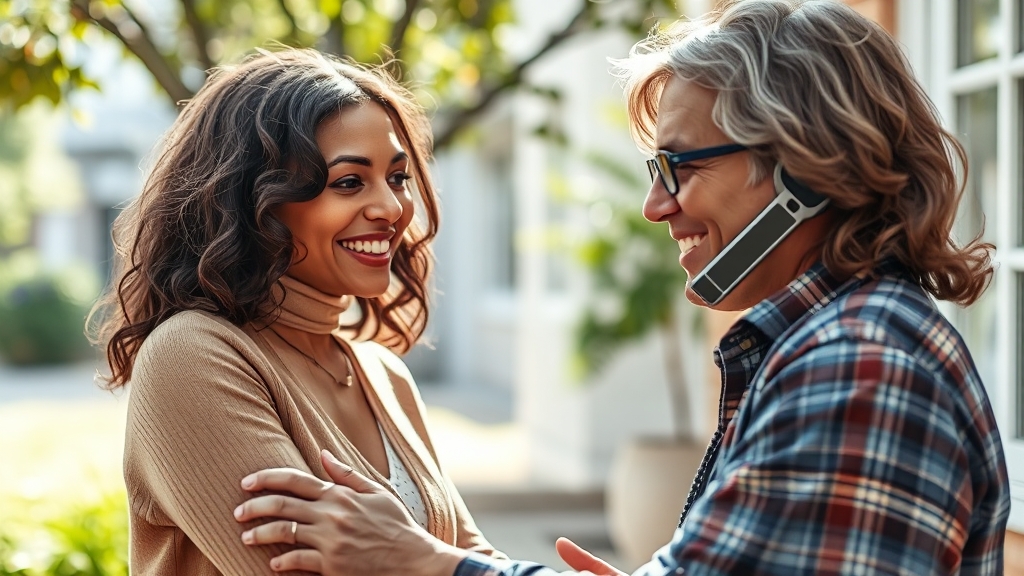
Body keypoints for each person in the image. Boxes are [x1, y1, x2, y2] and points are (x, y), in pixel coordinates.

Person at [232, 1, 1011, 575]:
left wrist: (423, 564)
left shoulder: (857, 364)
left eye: (680, 166)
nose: (656, 205)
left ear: (803, 169)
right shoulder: (828, 346)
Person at [88, 48, 503, 574]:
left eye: (397, 178)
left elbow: (471, 557)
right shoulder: (193, 358)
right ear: (255, 200)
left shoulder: (383, 373)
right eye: (349, 182)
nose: (392, 208)